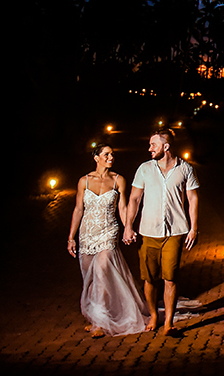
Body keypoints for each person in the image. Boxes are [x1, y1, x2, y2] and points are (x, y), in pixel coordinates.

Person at [66, 143, 150, 337]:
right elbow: (78, 209)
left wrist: (127, 227)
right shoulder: (83, 181)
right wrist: (71, 236)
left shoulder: (118, 180)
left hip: (108, 231)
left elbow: (122, 207)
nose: (111, 157)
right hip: (87, 233)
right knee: (90, 277)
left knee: (102, 269)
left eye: (112, 154)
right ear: (96, 158)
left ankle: (100, 324)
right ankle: (98, 317)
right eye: (107, 154)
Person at [123, 127, 199, 336]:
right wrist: (128, 226)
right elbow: (134, 199)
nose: (149, 149)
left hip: (175, 231)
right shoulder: (144, 169)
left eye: (153, 145)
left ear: (166, 146)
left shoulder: (186, 169)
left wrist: (193, 228)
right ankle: (154, 315)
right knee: (149, 279)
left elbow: (192, 199)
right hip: (148, 231)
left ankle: (169, 323)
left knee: (170, 278)